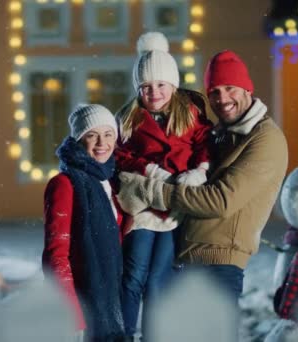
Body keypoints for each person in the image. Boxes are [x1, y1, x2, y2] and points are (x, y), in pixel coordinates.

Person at [117, 49, 289, 317]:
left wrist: (155, 191)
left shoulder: (264, 138)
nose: (222, 99)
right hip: (186, 258)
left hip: (219, 264)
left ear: (247, 89)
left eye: (230, 88)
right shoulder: (219, 132)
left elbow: (220, 201)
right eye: (214, 92)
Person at [114, 32, 213, 339]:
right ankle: (125, 334)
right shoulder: (129, 117)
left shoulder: (190, 113)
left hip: (176, 206)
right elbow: (120, 154)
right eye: (146, 86)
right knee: (134, 275)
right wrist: (149, 168)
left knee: (159, 278)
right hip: (144, 204)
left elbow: (204, 144)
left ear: (173, 84)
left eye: (160, 84)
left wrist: (200, 170)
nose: (153, 92)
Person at [42, 104, 125, 341]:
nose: (102, 143)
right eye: (92, 135)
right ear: (79, 140)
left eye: (108, 134)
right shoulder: (65, 184)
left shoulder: (109, 181)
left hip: (109, 300)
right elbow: (56, 255)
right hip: (83, 304)